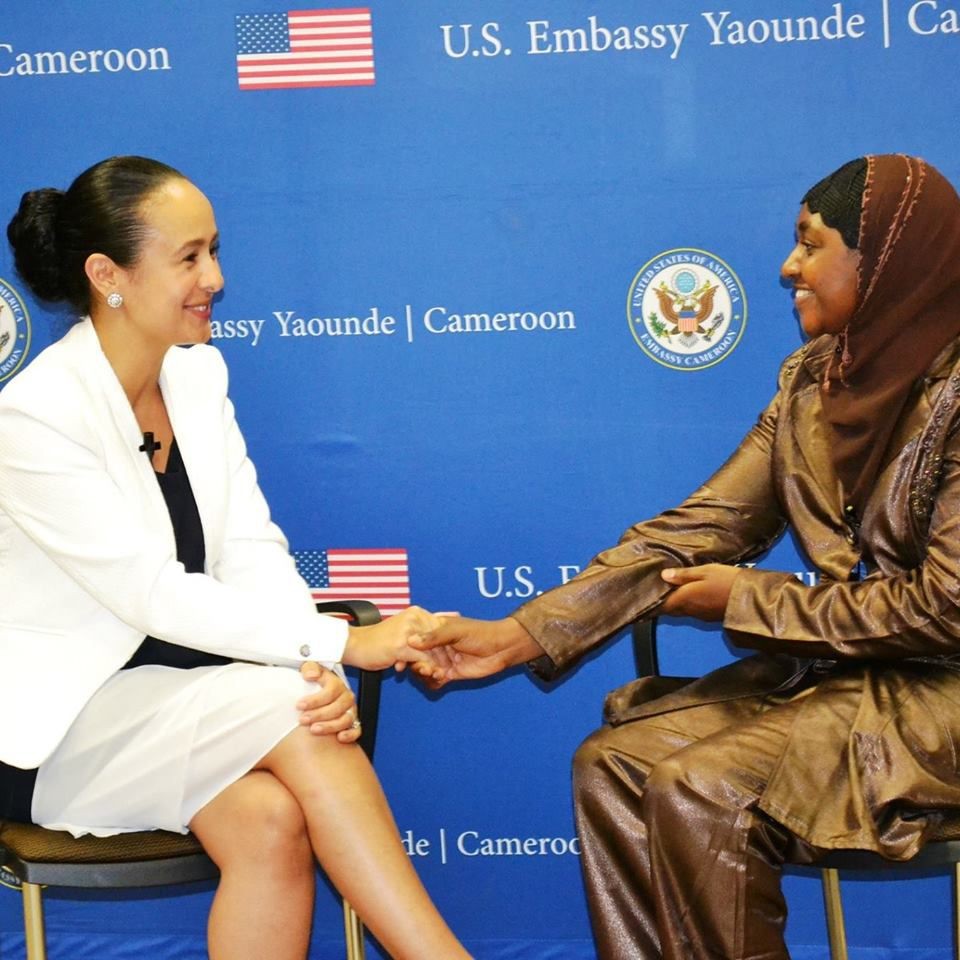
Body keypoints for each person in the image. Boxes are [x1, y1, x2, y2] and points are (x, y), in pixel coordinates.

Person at [418, 154, 960, 959]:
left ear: (879, 259)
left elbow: (944, 606)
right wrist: (520, 634)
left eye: (811, 244)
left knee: (703, 786)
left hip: (941, 699)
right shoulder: (811, 385)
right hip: (850, 685)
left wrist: (749, 600)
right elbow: (694, 532)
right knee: (615, 765)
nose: (788, 267)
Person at [0, 156, 470, 960]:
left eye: (214, 250)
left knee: (268, 822)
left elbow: (252, 551)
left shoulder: (198, 375)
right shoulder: (34, 415)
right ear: (107, 274)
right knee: (297, 723)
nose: (214, 277)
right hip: (58, 734)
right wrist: (343, 644)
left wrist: (310, 671)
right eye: (188, 257)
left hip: (185, 703)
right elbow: (151, 593)